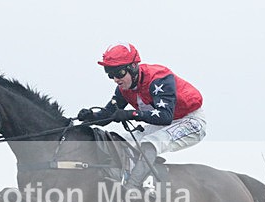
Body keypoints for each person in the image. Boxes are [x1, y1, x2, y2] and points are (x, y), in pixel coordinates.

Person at [77, 43, 206, 194]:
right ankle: (125, 176)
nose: (115, 79)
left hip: (190, 121)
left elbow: (165, 116)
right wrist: (90, 117)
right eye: (110, 74)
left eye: (119, 73)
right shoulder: (124, 88)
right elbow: (108, 114)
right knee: (122, 141)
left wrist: (131, 114)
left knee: (150, 144)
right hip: (166, 122)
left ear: (132, 67)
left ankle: (131, 189)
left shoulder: (160, 79)